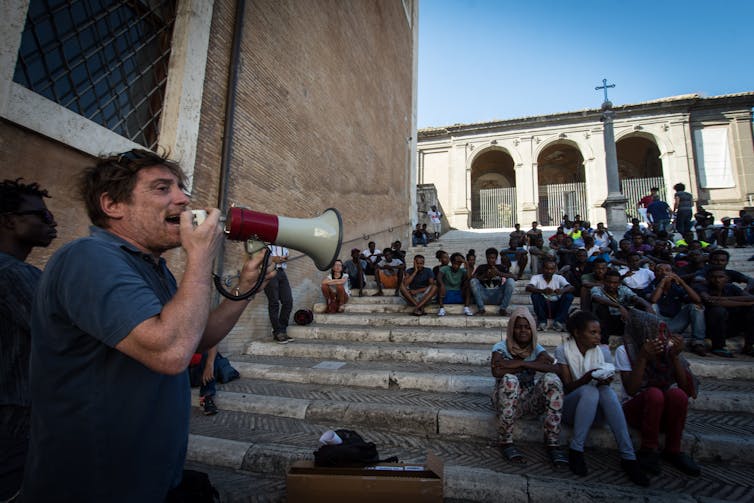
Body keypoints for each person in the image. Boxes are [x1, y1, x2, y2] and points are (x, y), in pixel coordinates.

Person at [22, 150, 274, 501]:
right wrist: (200, 258)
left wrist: (244, 290)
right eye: (162, 189)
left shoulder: (152, 267)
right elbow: (170, 352)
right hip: (94, 484)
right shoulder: (89, 258)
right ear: (112, 204)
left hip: (147, 479)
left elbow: (193, 340)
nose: (183, 199)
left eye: (181, 188)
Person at [0, 179, 57, 502]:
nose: (52, 223)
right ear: (10, 220)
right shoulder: (14, 275)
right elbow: (63, 336)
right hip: (14, 414)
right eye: (41, 216)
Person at [555, 311, 649, 486]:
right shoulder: (563, 351)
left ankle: (628, 456)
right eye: (593, 333)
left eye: (599, 332)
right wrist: (588, 377)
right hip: (571, 408)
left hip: (595, 410)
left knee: (606, 392)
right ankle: (576, 449)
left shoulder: (602, 352)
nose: (598, 337)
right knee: (589, 391)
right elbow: (567, 387)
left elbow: (605, 382)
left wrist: (604, 380)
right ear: (577, 333)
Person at [616, 309, 701, 476]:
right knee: (654, 393)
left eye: (663, 332)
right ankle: (648, 449)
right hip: (636, 410)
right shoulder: (625, 350)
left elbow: (687, 390)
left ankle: (673, 450)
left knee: (677, 395)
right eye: (656, 332)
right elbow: (631, 390)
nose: (661, 337)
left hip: (661, 412)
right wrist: (642, 358)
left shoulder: (668, 351)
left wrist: (676, 356)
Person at [490, 307, 568, 466]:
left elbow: (556, 368)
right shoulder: (501, 347)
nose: (523, 331)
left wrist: (520, 363)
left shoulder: (536, 348)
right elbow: (497, 370)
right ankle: (506, 440)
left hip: (529, 402)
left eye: (527, 327)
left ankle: (552, 441)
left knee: (551, 379)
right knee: (510, 380)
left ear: (533, 329)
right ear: (512, 329)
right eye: (518, 327)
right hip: (505, 403)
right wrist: (533, 365)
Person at [694, 267, 754, 358]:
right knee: (718, 310)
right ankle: (718, 347)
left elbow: (751, 298)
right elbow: (711, 301)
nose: (717, 280)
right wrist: (745, 304)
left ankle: (749, 346)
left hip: (732, 326)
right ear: (708, 279)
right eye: (713, 277)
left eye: (721, 277)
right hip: (710, 328)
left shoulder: (731, 287)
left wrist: (724, 298)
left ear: (727, 279)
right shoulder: (701, 287)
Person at [649, 264, 706, 356]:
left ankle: (698, 342)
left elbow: (697, 300)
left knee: (695, 307)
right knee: (652, 305)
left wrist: (682, 282)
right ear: (655, 274)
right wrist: (663, 282)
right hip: (658, 325)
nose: (664, 272)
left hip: (675, 323)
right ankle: (659, 338)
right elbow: (653, 300)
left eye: (667, 270)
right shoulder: (650, 286)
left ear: (672, 273)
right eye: (660, 270)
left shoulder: (676, 288)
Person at [591, 270, 654, 343]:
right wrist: (619, 306)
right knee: (601, 308)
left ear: (619, 283)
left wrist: (648, 306)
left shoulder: (623, 289)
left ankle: (644, 339)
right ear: (604, 281)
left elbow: (635, 297)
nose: (611, 285)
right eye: (609, 282)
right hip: (607, 322)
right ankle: (605, 342)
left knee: (641, 306)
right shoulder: (597, 289)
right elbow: (597, 298)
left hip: (623, 321)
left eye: (615, 283)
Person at [525, 259, 574, 332]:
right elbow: (528, 287)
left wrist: (561, 291)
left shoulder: (559, 278)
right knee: (535, 295)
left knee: (569, 296)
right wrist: (542, 291)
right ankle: (542, 321)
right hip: (543, 307)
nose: (549, 271)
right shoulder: (536, 277)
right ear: (542, 269)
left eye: (551, 269)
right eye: (546, 268)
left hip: (557, 307)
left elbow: (571, 287)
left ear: (555, 270)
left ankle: (559, 321)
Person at [470, 247, 515, 316]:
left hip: (498, 296)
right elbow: (472, 278)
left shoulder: (501, 267)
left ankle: (503, 309)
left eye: (493, 258)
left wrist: (499, 273)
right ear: (486, 258)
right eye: (488, 258)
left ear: (496, 258)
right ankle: (481, 309)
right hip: (484, 296)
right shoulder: (481, 267)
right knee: (473, 281)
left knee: (511, 281)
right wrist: (485, 275)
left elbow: (515, 277)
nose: (491, 260)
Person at [264, 245, 293, 343]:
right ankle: (277, 332)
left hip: (282, 272)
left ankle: (282, 330)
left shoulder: (284, 245)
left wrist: (285, 258)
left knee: (288, 301)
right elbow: (259, 257)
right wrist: (272, 259)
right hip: (270, 272)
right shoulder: (266, 245)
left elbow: (287, 254)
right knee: (274, 302)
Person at [436, 252, 473, 316]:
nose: (456, 264)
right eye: (455, 261)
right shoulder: (445, 268)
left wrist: (466, 262)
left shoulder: (462, 271)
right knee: (439, 285)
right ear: (451, 261)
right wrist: (442, 285)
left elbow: (469, 277)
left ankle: (466, 308)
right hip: (446, 294)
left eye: (459, 262)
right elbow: (439, 277)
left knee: (468, 284)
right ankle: (441, 309)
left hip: (458, 294)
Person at [189, 345, 219, 415]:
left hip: (200, 374)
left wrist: (210, 364)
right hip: (183, 374)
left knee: (211, 354)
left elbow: (213, 342)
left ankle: (206, 397)